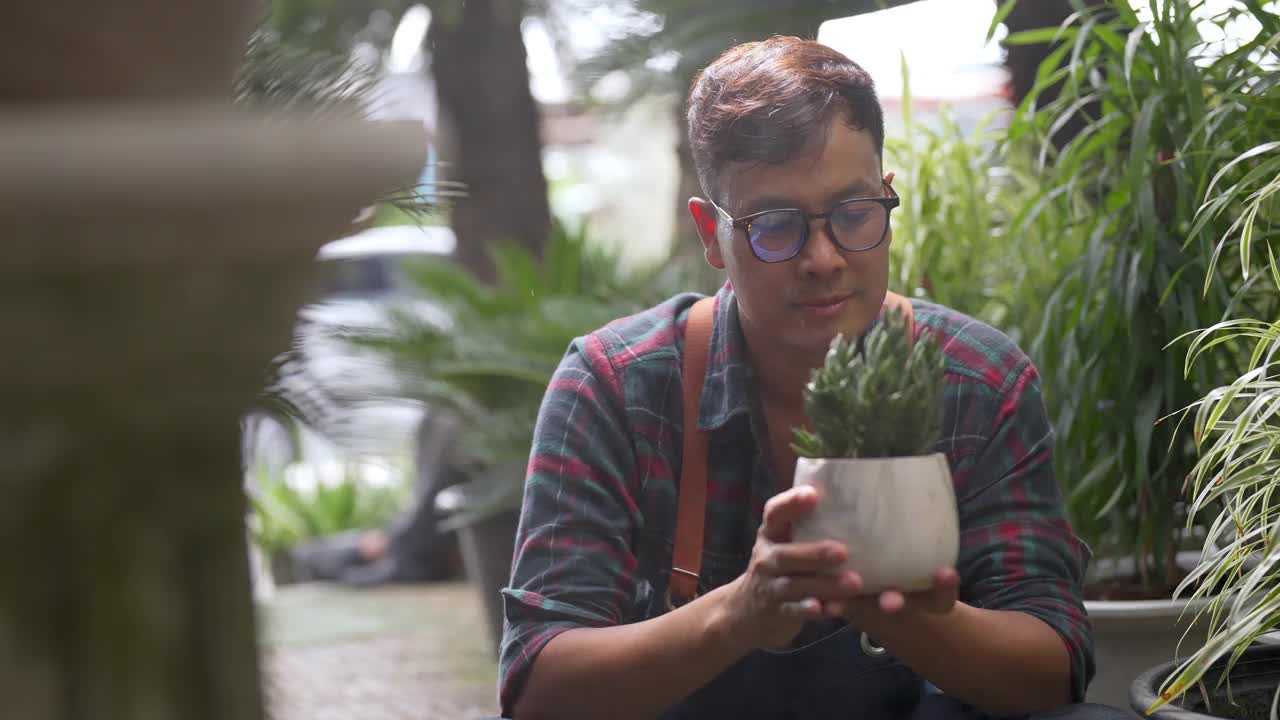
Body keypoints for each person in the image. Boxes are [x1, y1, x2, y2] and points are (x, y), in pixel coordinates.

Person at [496, 37, 1124, 720]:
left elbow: (1053, 671)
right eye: (774, 226)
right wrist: (743, 610)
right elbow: (537, 691)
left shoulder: (976, 381)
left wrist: (895, 611)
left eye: (853, 214)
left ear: (888, 200)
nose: (823, 259)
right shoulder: (617, 386)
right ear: (712, 235)